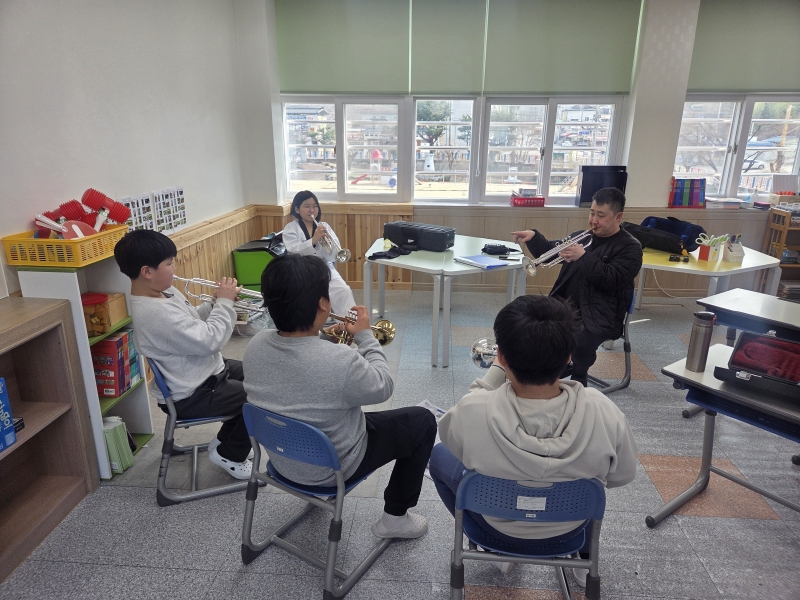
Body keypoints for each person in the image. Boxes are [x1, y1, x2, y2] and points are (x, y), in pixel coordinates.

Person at [429, 295, 638, 581]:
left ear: (502, 357)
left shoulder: (473, 409)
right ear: (569, 356)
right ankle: (585, 557)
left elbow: (454, 435)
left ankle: (494, 551)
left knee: (438, 457)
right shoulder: (603, 409)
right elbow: (622, 475)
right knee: (591, 479)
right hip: (570, 527)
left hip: (495, 527)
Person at [243, 253, 437, 539]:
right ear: (324, 304)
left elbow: (298, 363)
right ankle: (396, 518)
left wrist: (320, 336)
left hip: (281, 461)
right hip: (333, 469)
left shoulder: (256, 344)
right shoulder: (341, 361)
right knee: (422, 420)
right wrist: (365, 336)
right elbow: (383, 385)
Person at [113, 230, 253, 480]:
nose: (174, 268)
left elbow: (193, 322)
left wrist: (214, 303)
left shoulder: (163, 293)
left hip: (203, 372)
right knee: (260, 395)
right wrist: (225, 305)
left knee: (259, 374)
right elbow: (210, 341)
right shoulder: (155, 313)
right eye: (169, 263)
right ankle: (231, 454)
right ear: (147, 271)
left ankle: (226, 441)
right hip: (192, 393)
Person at [512, 187, 642, 387]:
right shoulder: (581, 236)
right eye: (592, 213)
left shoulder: (630, 247)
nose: (593, 220)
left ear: (618, 217)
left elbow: (612, 279)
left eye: (601, 216)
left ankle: (579, 376)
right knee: (525, 319)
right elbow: (551, 251)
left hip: (600, 315)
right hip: (564, 306)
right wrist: (534, 238)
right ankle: (544, 371)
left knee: (577, 341)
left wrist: (583, 257)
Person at [282, 190, 356, 317]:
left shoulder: (324, 226)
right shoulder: (291, 228)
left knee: (343, 290)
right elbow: (293, 251)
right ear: (297, 209)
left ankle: (349, 324)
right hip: (301, 270)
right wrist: (314, 240)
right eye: (307, 206)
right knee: (308, 297)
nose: (312, 210)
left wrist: (327, 243)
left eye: (315, 206)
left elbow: (332, 256)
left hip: (323, 267)